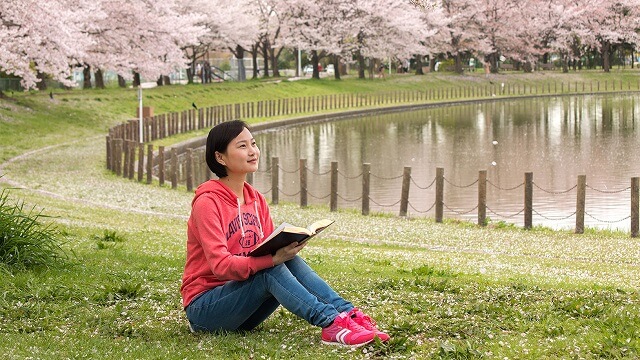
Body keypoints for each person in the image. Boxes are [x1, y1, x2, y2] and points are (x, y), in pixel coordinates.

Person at [181, 120, 390, 347]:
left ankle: (348, 315)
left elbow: (263, 250)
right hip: (205, 310)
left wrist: (286, 248)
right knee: (270, 270)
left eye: (253, 143)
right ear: (220, 157)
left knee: (287, 261)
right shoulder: (208, 202)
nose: (252, 151)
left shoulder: (256, 200)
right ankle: (331, 323)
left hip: (244, 310)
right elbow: (220, 265)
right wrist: (271, 259)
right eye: (242, 146)